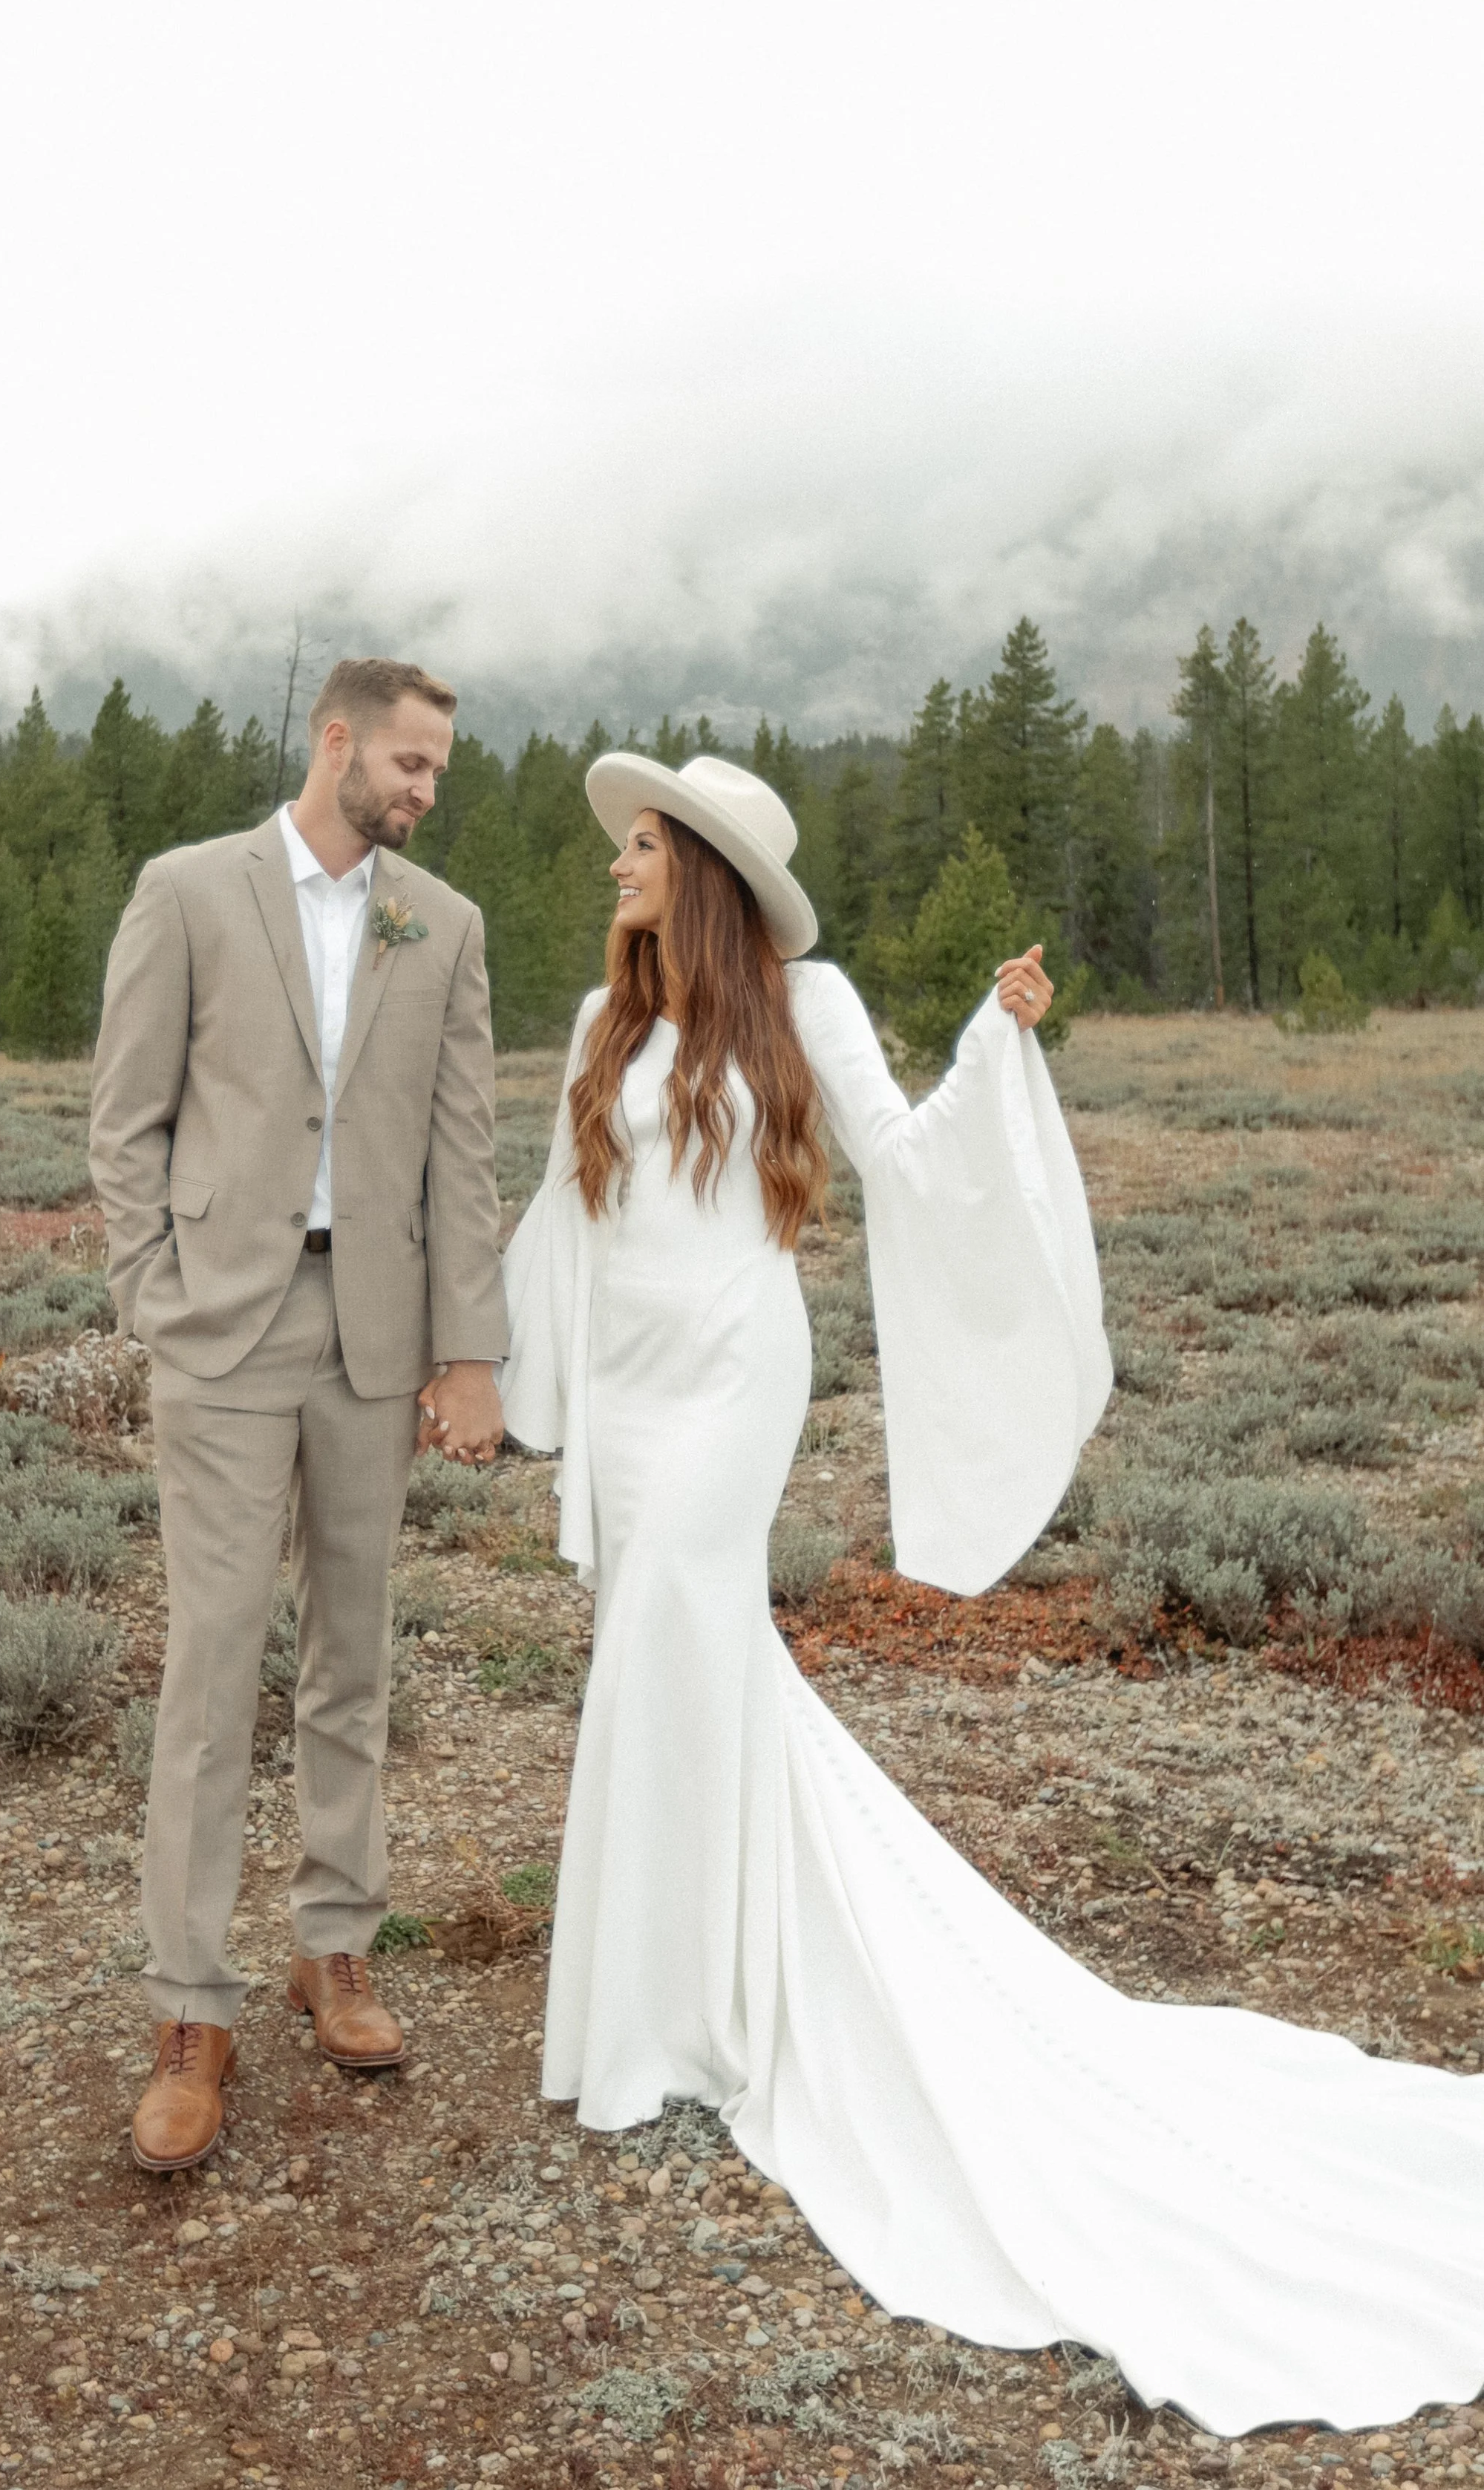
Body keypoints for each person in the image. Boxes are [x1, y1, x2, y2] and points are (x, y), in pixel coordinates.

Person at [500, 750, 1484, 2440]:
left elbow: (905, 1155)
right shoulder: (610, 1029)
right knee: (666, 1668)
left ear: (709, 872)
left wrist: (992, 1037)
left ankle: (684, 2018)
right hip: (636, 1383)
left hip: (735, 1376)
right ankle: (667, 1998)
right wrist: (513, 1386)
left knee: (682, 1634)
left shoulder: (797, 1003)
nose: (618, 870)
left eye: (643, 850)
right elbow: (563, 1223)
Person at [90, 656, 506, 2172]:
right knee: (212, 1663)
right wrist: (155, 1293)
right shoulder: (189, 891)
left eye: (438, 772)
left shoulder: (440, 923)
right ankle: (188, 2011)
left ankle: (334, 1945)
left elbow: (461, 1154)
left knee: (352, 1649)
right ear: (335, 744)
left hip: (372, 1332)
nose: (423, 789)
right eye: (406, 762)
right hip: (222, 1325)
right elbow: (122, 1117)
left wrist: (468, 1348)